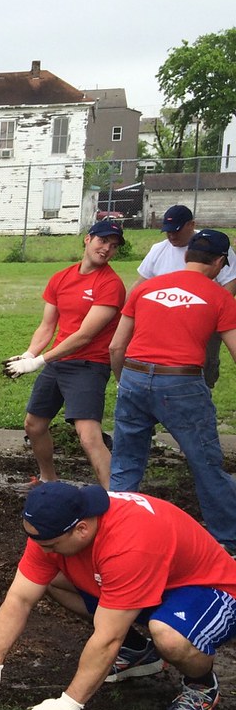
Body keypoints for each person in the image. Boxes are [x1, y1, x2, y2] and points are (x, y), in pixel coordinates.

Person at [0, 482, 236, 710]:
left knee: (169, 636)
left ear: (81, 529)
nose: (44, 551)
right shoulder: (56, 526)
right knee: (50, 580)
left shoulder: (128, 545)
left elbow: (108, 638)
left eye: (51, 546)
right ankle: (138, 653)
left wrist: (68, 704)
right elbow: (20, 598)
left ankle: (201, 686)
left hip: (209, 588)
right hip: (148, 582)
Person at [108, 228, 236, 553]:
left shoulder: (145, 288)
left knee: (125, 463)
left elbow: (116, 346)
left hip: (134, 376)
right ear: (220, 262)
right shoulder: (221, 297)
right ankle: (228, 541)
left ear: (189, 254)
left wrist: (125, 382)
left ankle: (114, 534)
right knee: (205, 462)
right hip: (181, 383)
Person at [1, 221, 126, 488]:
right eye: (102, 241)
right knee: (34, 425)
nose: (106, 249)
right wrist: (29, 353)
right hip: (59, 361)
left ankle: (117, 500)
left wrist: (39, 361)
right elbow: (48, 326)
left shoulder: (111, 284)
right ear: (88, 239)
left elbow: (84, 335)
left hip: (89, 364)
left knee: (88, 436)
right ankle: (48, 479)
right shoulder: (61, 278)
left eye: (113, 246)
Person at [132, 204, 236, 388]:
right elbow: (140, 284)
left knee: (202, 368)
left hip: (201, 320)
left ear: (191, 225)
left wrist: (212, 313)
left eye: (176, 231)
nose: (171, 236)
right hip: (162, 320)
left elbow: (230, 282)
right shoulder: (158, 249)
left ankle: (200, 393)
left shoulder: (213, 245)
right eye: (168, 231)